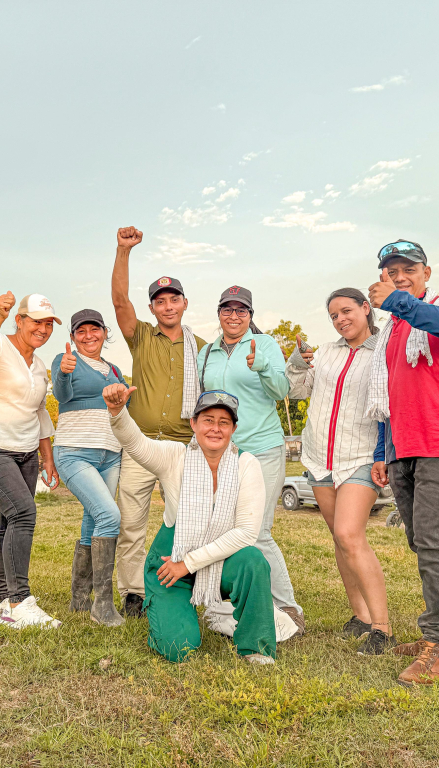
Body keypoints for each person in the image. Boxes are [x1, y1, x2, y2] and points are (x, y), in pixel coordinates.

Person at [367, 239, 439, 686]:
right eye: (391, 272)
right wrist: (383, 452)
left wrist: (397, 301)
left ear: (426, 273)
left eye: (408, 270)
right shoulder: (392, 330)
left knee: (432, 540)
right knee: (421, 540)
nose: (400, 277)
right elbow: (388, 396)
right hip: (403, 445)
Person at [103, 384, 277, 665]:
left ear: (233, 428)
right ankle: (168, 616)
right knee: (179, 648)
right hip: (169, 567)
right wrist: (117, 411)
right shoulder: (175, 456)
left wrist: (189, 563)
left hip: (206, 563)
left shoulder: (246, 464)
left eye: (224, 422)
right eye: (208, 420)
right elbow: (136, 443)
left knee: (253, 561)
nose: (215, 429)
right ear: (194, 424)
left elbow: (246, 533)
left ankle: (256, 647)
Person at [286, 288, 394, 654]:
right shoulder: (326, 353)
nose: (340, 319)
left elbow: (389, 404)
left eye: (347, 311)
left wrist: (385, 454)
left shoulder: (383, 350)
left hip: (360, 456)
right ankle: (360, 615)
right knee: (339, 538)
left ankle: (382, 628)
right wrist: (297, 362)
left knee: (350, 535)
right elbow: (297, 391)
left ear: (365, 308)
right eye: (334, 315)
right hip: (319, 458)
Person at [196, 285, 305, 636]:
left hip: (262, 448)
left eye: (241, 310)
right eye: (227, 309)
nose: (234, 315)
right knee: (223, 529)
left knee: (257, 532)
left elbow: (281, 391)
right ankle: (228, 602)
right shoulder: (207, 352)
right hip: (222, 452)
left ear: (250, 315)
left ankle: (287, 606)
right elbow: (202, 399)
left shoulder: (265, 344)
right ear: (219, 314)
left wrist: (262, 367)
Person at [111, 226, 207, 617]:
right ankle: (133, 593)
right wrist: (123, 251)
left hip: (183, 448)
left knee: (186, 521)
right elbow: (120, 302)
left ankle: (184, 584)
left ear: (184, 303)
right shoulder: (141, 337)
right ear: (152, 308)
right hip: (141, 444)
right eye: (160, 301)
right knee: (131, 523)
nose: (167, 306)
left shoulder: (201, 348)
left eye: (173, 299)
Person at [0, 291, 63, 630]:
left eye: (49, 324)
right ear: (19, 320)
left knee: (9, 521)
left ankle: (1, 598)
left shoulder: (39, 366)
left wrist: (47, 459)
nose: (43, 329)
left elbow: (40, 413)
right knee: (23, 513)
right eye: (36, 322)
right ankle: (19, 604)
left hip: (25, 451)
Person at [51, 309, 129, 626]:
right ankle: (103, 605)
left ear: (104, 332)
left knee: (92, 520)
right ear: (72, 337)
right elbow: (61, 394)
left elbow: (123, 408)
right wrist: (63, 373)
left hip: (110, 455)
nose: (88, 336)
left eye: (94, 329)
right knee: (109, 516)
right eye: (80, 331)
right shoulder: (66, 361)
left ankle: (80, 600)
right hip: (74, 453)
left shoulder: (114, 370)